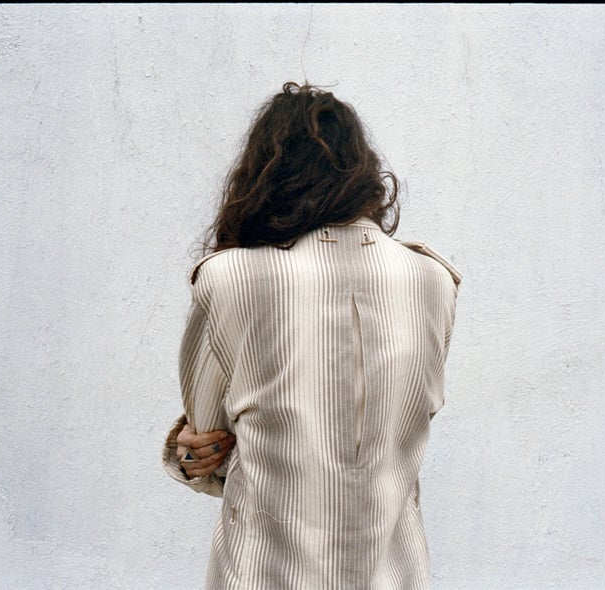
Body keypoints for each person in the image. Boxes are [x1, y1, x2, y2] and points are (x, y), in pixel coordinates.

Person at [162, 82, 460, 589]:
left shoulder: (227, 279)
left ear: (262, 175)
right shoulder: (433, 280)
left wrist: (185, 454)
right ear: (362, 171)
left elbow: (209, 446)